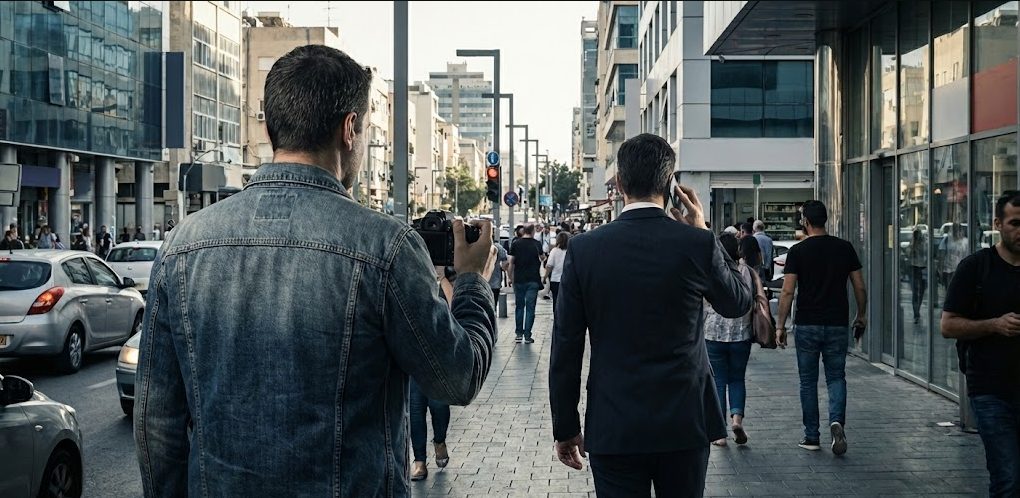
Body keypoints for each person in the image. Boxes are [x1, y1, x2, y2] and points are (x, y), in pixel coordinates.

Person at [134, 44, 499, 498]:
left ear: (269, 127)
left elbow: (157, 423)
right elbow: (456, 378)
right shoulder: (384, 247)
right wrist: (471, 282)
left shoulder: (182, 245)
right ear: (350, 129)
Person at [549, 133, 752, 496]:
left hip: (615, 424)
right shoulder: (697, 243)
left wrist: (566, 426)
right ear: (670, 184)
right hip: (684, 421)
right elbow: (737, 303)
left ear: (620, 184)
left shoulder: (585, 250)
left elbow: (566, 345)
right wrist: (703, 230)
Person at [941, 191, 1020, 497]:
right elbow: (948, 325)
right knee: (1008, 477)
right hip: (991, 391)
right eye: (1015, 223)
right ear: (998, 224)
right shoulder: (976, 267)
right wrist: (994, 325)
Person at [776, 200, 867, 455]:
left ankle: (811, 436)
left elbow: (787, 291)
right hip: (837, 323)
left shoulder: (798, 251)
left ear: (805, 222)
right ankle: (836, 421)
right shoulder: (844, 248)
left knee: (808, 382)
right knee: (836, 377)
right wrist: (861, 315)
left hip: (807, 323)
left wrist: (780, 326)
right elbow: (859, 286)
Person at [704, 232, 755, 448]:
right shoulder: (746, 271)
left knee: (718, 381)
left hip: (713, 334)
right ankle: (737, 420)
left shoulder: (708, 270)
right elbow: (752, 299)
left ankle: (719, 434)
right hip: (740, 334)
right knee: (737, 379)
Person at [410, 266, 457, 481]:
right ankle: (419, 461)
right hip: (414, 359)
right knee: (416, 410)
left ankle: (439, 440)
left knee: (439, 407)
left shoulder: (446, 281)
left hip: (439, 360)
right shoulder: (410, 280)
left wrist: (442, 278)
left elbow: (455, 307)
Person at [507, 224, 543, 344]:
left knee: (519, 307)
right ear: (532, 231)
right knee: (530, 308)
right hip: (533, 279)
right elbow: (542, 258)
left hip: (519, 279)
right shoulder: (537, 244)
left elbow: (511, 262)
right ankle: (527, 335)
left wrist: (510, 277)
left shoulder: (516, 243)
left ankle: (518, 334)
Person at [937, 222, 968, 296]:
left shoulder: (966, 242)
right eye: (955, 230)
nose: (958, 232)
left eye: (959, 230)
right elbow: (941, 255)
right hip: (948, 271)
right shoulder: (947, 240)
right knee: (950, 292)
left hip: (961, 271)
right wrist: (940, 270)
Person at [544, 231, 570, 313]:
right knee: (566, 301)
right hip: (568, 280)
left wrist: (545, 277)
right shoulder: (570, 251)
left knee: (556, 300)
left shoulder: (554, 251)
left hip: (555, 280)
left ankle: (557, 319)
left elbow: (549, 266)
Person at [907, 227, 928, 324]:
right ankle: (916, 313)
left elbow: (927, 254)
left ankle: (917, 309)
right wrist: (913, 246)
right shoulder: (912, 244)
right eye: (917, 235)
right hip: (914, 267)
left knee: (922, 290)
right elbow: (909, 255)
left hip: (923, 267)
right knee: (915, 291)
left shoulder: (925, 244)